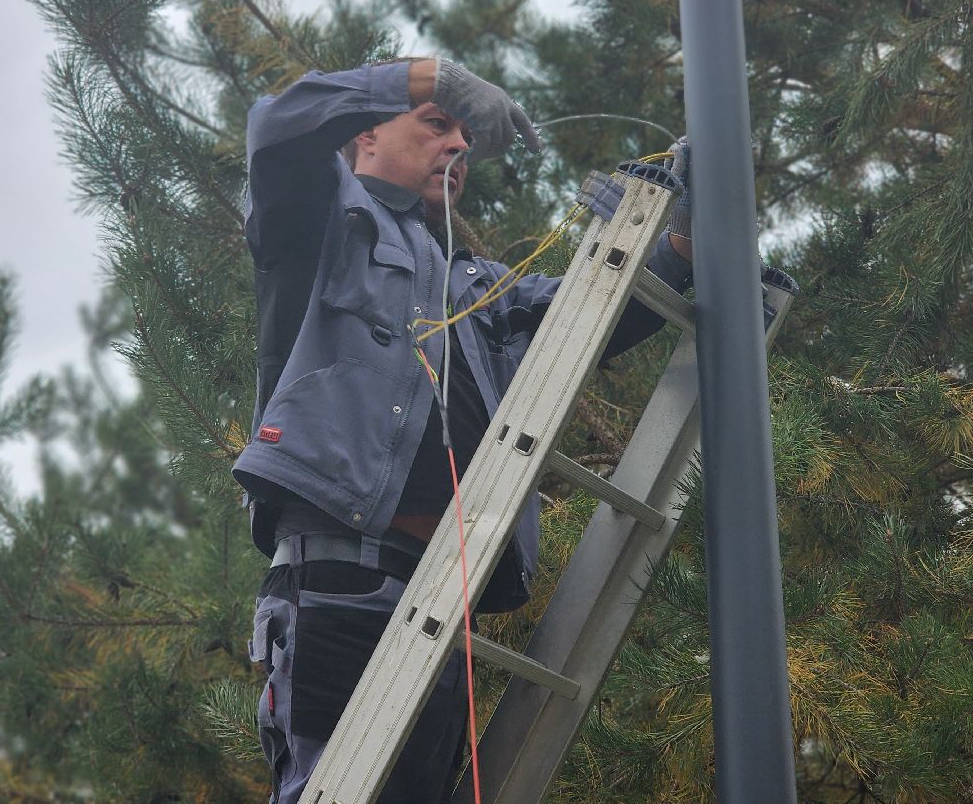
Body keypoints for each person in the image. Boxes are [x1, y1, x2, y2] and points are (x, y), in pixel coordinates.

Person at [235, 58, 695, 804]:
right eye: (435, 125)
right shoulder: (322, 221)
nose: (458, 145)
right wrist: (434, 79)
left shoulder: (482, 288)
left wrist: (678, 230)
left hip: (444, 601)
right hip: (343, 579)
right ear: (367, 135)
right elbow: (276, 129)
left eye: (465, 136)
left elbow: (602, 318)